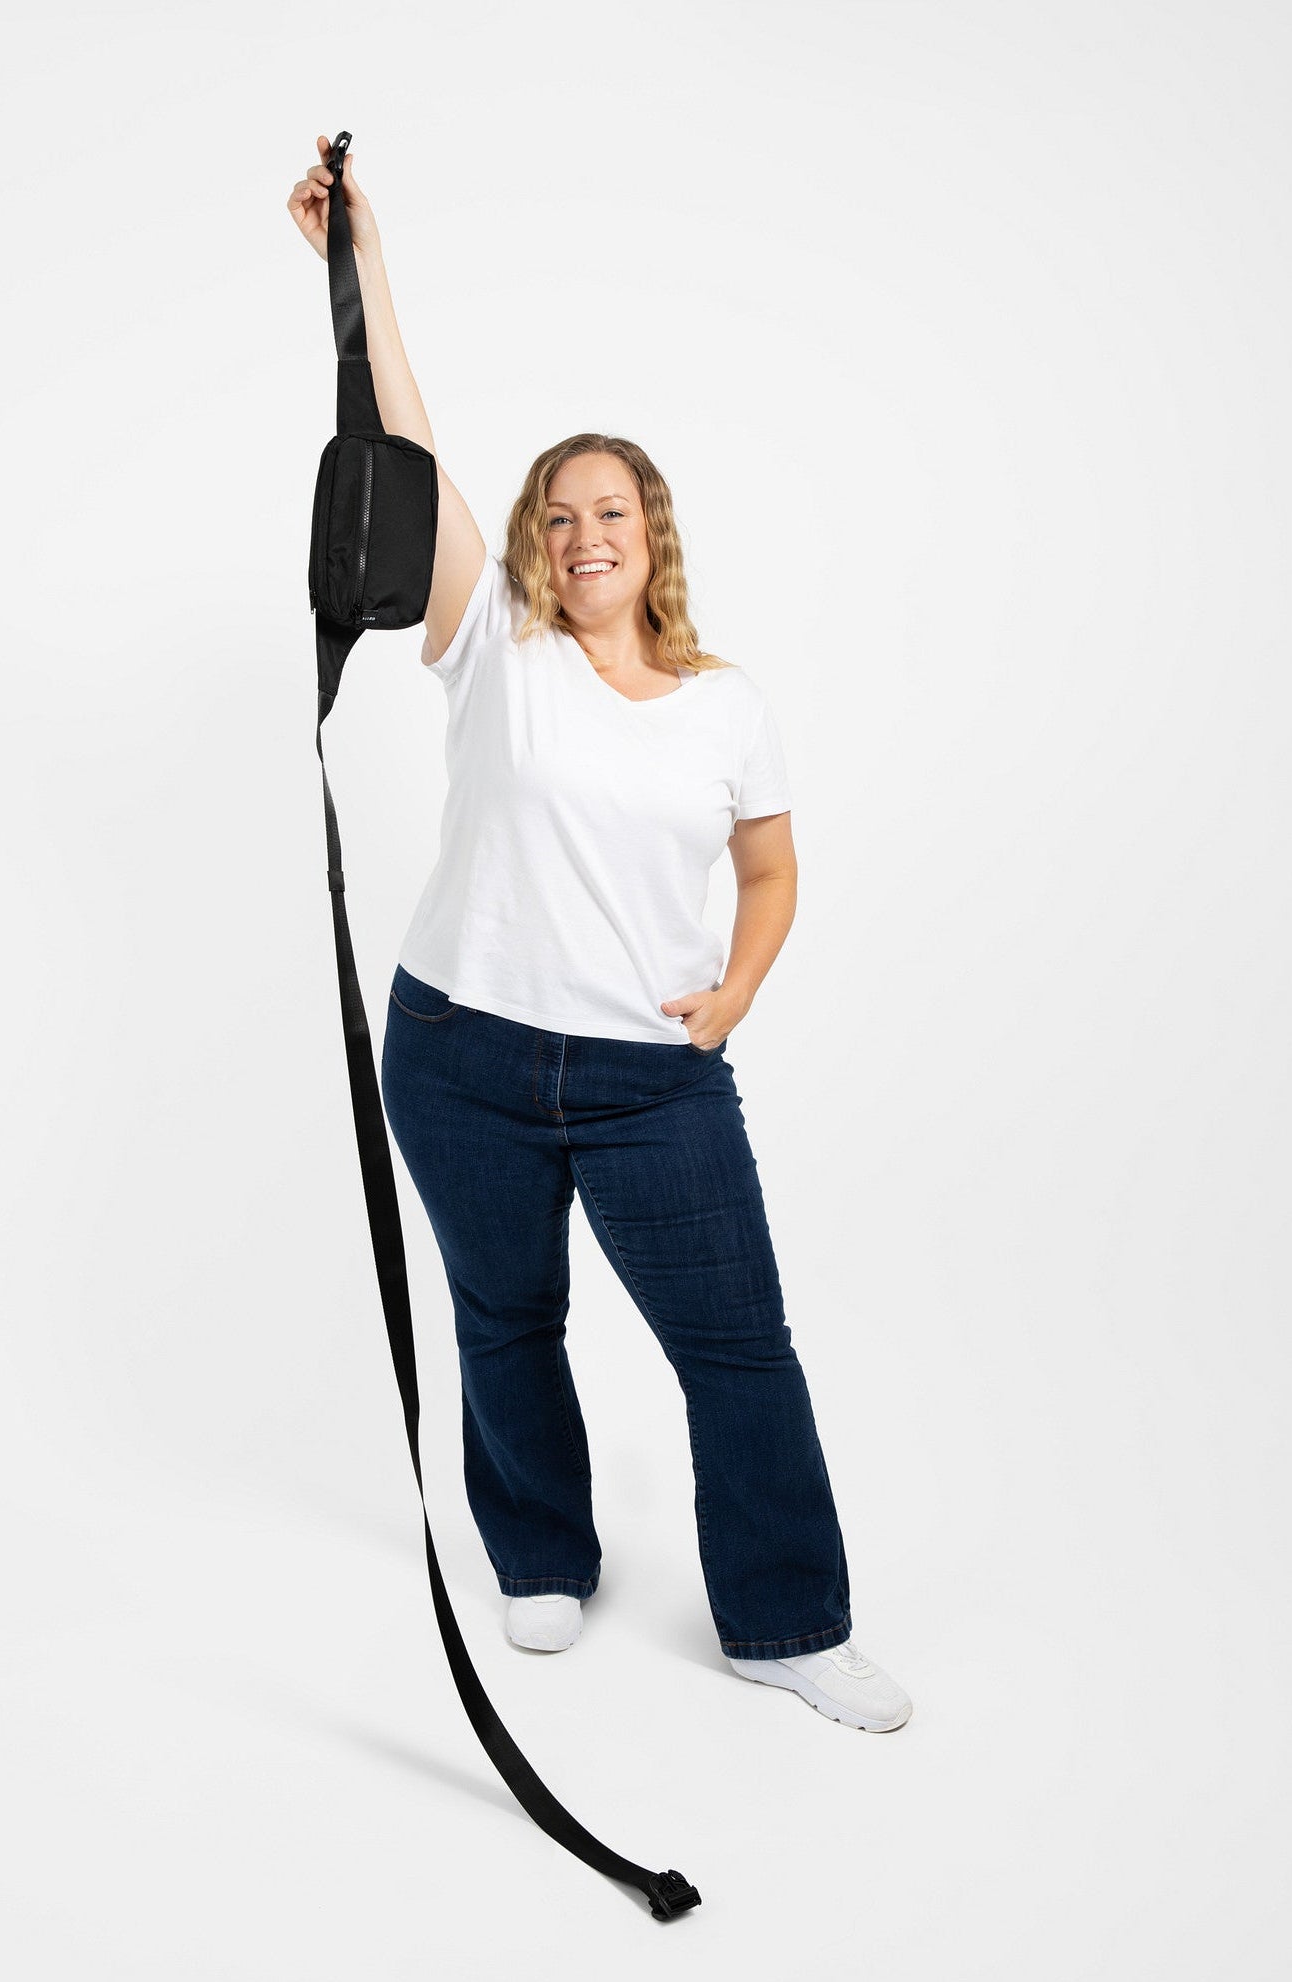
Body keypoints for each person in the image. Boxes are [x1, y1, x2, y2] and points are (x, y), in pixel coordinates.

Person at [288, 137, 912, 1733]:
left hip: (649, 1077)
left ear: (653, 532)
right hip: (459, 1054)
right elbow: (409, 455)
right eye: (556, 513)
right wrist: (359, 270)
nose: (581, 534)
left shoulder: (724, 706)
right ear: (534, 542)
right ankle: (540, 1552)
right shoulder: (493, 646)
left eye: (609, 509)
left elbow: (770, 873)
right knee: (505, 1317)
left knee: (738, 1349)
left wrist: (735, 994)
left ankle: (786, 1623)